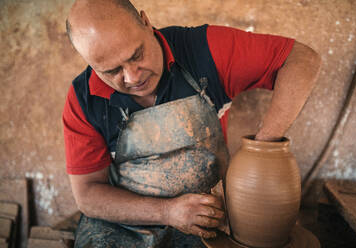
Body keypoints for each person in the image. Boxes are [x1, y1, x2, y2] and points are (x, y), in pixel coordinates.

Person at [63, 0, 321, 247]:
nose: (132, 77)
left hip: (208, 218)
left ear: (145, 22)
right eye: (111, 71)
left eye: (137, 54)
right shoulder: (83, 98)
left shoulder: (203, 50)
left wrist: (265, 146)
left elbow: (302, 60)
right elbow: (87, 194)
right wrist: (167, 212)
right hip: (126, 226)